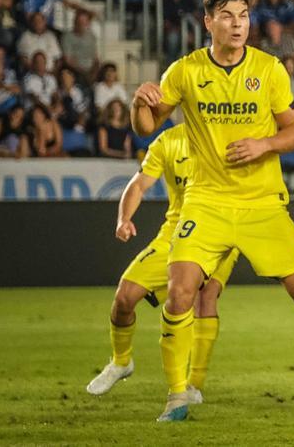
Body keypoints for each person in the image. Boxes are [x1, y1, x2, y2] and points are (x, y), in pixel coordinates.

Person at [130, 0, 294, 421]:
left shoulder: (269, 69)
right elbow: (144, 127)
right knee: (180, 293)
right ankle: (177, 396)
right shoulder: (184, 71)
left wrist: (264, 144)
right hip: (206, 202)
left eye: (244, 15)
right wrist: (140, 103)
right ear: (208, 21)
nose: (238, 24)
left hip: (262, 204)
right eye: (228, 16)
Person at [87, 124, 239, 401]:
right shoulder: (168, 141)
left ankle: (193, 384)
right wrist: (123, 219)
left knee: (205, 296)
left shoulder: (229, 134)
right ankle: (122, 361)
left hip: (221, 232)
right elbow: (138, 184)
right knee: (125, 296)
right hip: (175, 232)